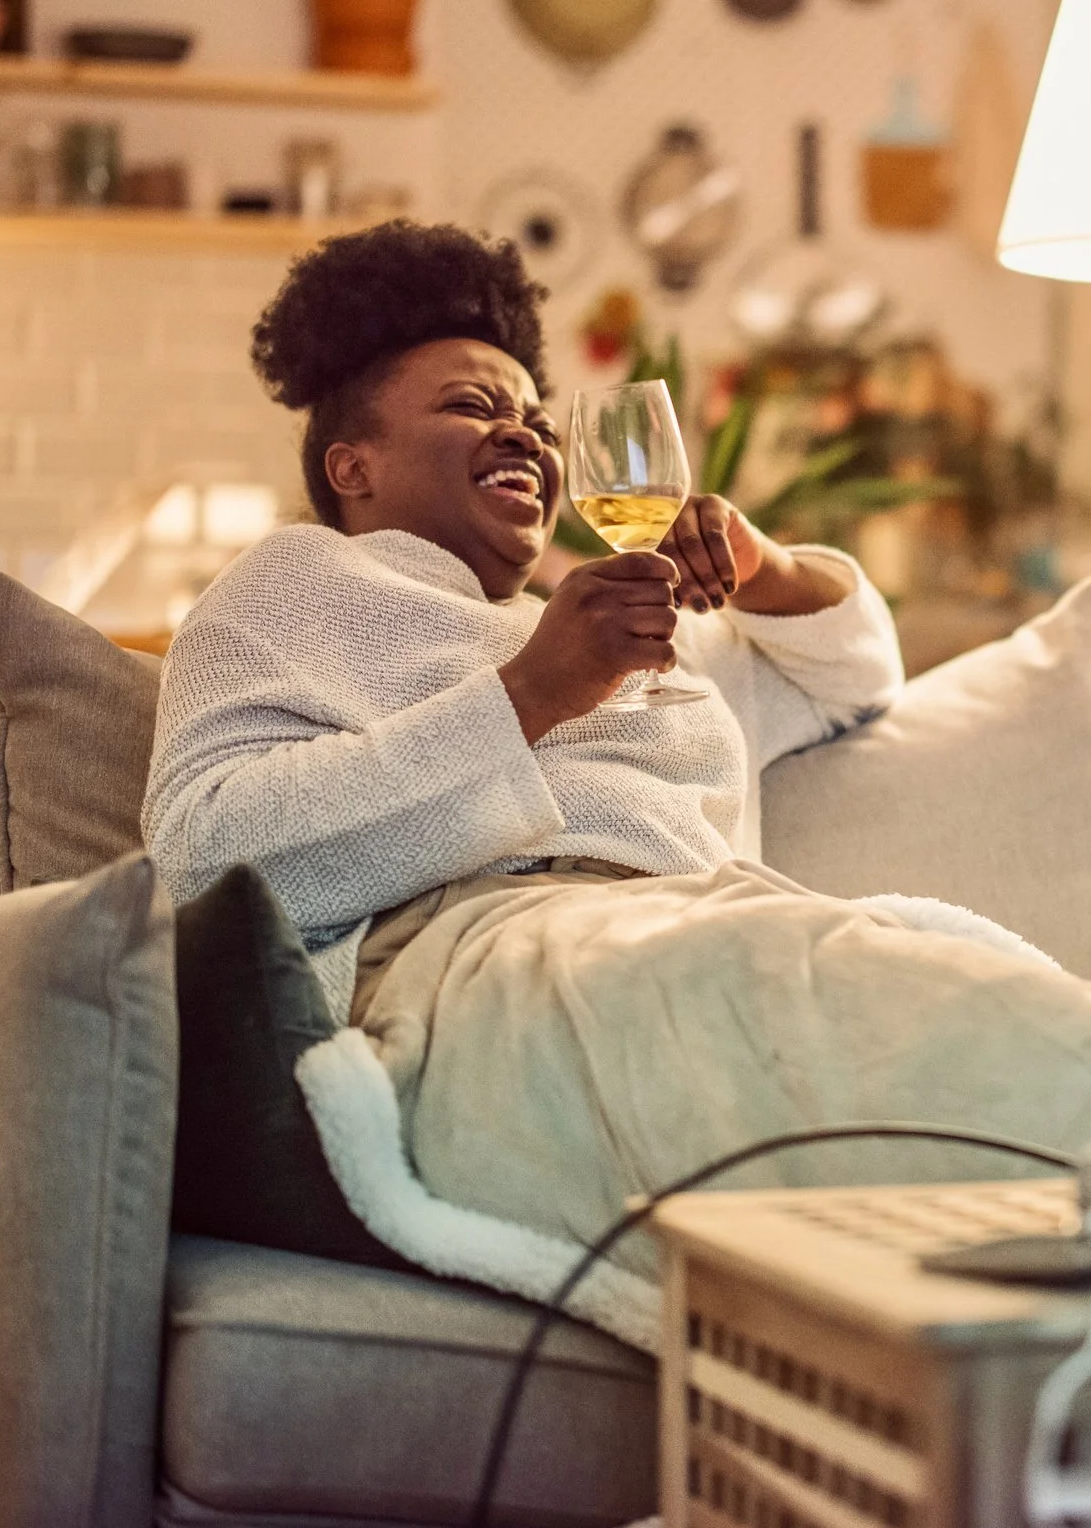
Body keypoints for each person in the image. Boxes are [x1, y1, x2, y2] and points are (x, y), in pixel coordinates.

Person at [142, 220, 904, 1013]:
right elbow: (202, 863)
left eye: (542, 424)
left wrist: (761, 566)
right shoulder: (293, 583)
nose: (525, 433)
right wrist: (534, 692)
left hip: (711, 936)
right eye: (471, 405)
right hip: (493, 964)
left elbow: (856, 676)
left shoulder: (610, 626)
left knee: (955, 985)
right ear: (353, 466)